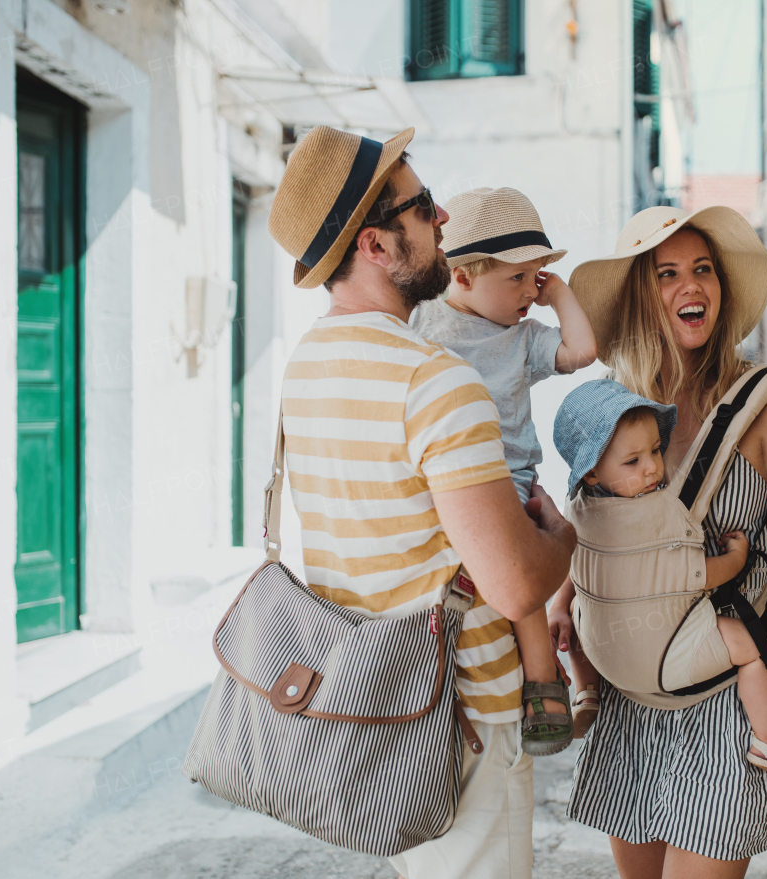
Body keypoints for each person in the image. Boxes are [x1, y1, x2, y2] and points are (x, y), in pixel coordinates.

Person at [266, 125, 576, 879]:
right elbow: (514, 582)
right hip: (462, 707)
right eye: (424, 205)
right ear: (376, 245)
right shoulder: (436, 382)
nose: (442, 221)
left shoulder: (306, 365)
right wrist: (562, 538)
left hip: (368, 700)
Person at [548, 205, 767, 879]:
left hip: (727, 689)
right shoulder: (610, 407)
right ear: (638, 293)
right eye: (667, 273)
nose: (692, 285)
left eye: (703, 270)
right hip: (635, 687)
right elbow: (598, 528)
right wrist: (564, 597)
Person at [552, 379, 767, 787]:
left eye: (656, 451)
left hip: (604, 658)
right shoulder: (656, 515)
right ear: (591, 473)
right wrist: (736, 558)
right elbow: (696, 575)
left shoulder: (578, 510)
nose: (653, 468)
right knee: (751, 646)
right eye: (633, 462)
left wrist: (558, 606)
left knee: (580, 609)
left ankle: (585, 690)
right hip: (663, 659)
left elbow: (575, 568)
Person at [410, 187, 597, 755]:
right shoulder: (423, 322)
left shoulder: (522, 339)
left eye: (536, 276)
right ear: (462, 276)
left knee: (523, 593)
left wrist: (558, 292)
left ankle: (543, 682)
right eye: (517, 278)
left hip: (510, 481)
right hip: (443, 480)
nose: (528, 291)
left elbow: (583, 350)